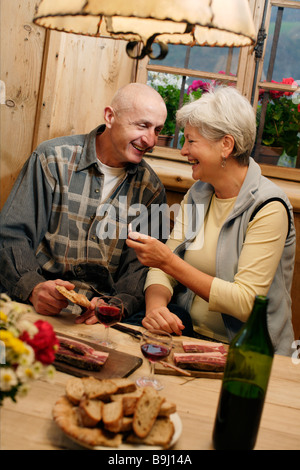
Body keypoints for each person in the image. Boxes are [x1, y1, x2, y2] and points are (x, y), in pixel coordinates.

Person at [126, 86, 296, 356]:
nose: (183, 151)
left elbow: (245, 302)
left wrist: (168, 261)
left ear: (226, 145)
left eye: (191, 141)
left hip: (246, 354)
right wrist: (156, 309)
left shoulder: (268, 207)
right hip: (185, 334)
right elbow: (162, 269)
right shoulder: (199, 193)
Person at [0, 83, 168, 324]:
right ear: (110, 117)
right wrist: (34, 288)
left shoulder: (151, 190)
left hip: (99, 320)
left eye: (158, 130)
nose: (151, 140)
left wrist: (115, 307)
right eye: (142, 125)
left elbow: (141, 269)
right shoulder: (51, 159)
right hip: (32, 305)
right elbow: (11, 235)